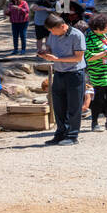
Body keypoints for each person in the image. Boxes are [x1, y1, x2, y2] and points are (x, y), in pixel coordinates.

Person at [38, 12, 88, 145]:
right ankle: (60, 134)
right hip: (59, 73)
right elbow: (48, 46)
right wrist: (45, 52)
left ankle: (72, 136)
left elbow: (78, 57)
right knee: (59, 106)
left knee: (74, 106)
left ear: (62, 26)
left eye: (53, 30)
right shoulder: (52, 34)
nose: (52, 33)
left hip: (75, 74)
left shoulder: (77, 35)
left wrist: (57, 59)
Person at [83, 13, 107, 132]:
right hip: (98, 73)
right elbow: (89, 57)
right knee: (99, 98)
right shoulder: (89, 38)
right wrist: (106, 53)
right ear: (98, 27)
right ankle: (94, 122)